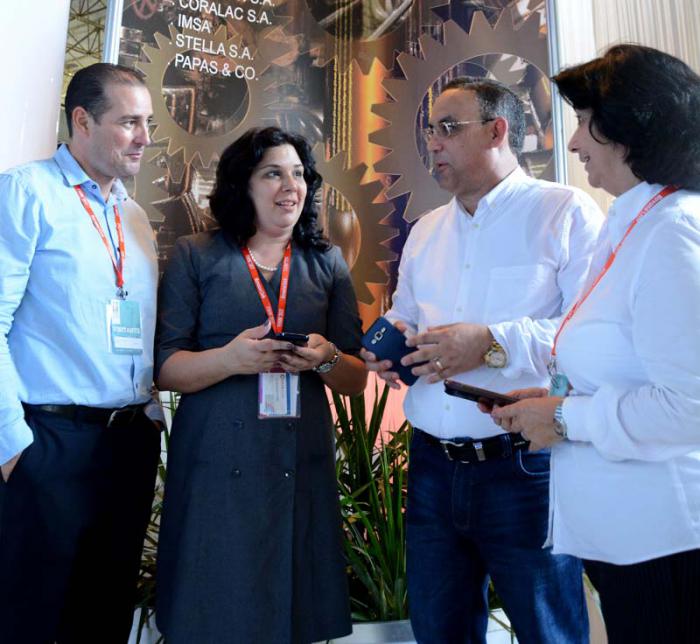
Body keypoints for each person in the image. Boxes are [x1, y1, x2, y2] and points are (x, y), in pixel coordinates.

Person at [362, 76, 603, 643]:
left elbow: (588, 335)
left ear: (497, 131)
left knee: (548, 632)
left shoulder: (564, 213)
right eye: (429, 131)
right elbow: (407, 316)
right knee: (439, 632)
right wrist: (396, 346)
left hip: (523, 469)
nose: (433, 145)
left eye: (448, 128)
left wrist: (490, 342)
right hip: (429, 468)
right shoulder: (424, 231)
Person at [491, 44, 700, 644]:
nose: (575, 141)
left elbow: (688, 407)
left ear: (633, 126)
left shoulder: (673, 230)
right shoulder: (631, 222)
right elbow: (628, 367)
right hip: (626, 538)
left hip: (667, 542)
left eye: (585, 122)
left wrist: (566, 417)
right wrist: (555, 401)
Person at [154, 126, 367, 643]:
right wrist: (230, 360)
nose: (290, 185)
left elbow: (355, 379)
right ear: (242, 184)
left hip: (300, 463)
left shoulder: (327, 264)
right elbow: (166, 368)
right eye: (273, 172)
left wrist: (323, 359)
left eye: (298, 174)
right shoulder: (195, 255)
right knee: (211, 610)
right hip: (214, 464)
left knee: (292, 613)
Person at [0, 63, 161, 643]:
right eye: (129, 123)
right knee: (31, 620)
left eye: (148, 122)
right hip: (50, 447)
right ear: (82, 121)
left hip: (127, 448)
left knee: (103, 618)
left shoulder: (136, 218)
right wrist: (14, 447)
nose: (145, 137)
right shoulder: (25, 192)